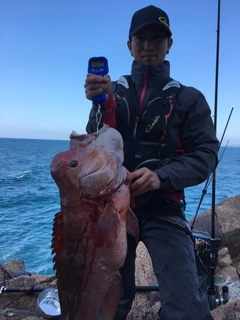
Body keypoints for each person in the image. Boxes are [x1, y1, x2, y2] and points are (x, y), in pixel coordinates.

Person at [84, 5, 218, 320]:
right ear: (129, 44)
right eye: (141, 38)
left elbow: (205, 154)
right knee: (111, 299)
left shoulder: (190, 99)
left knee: (185, 303)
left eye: (157, 38)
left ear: (169, 44)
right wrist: (99, 105)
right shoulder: (111, 92)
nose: (148, 45)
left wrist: (161, 177)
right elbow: (93, 146)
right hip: (113, 211)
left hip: (164, 208)